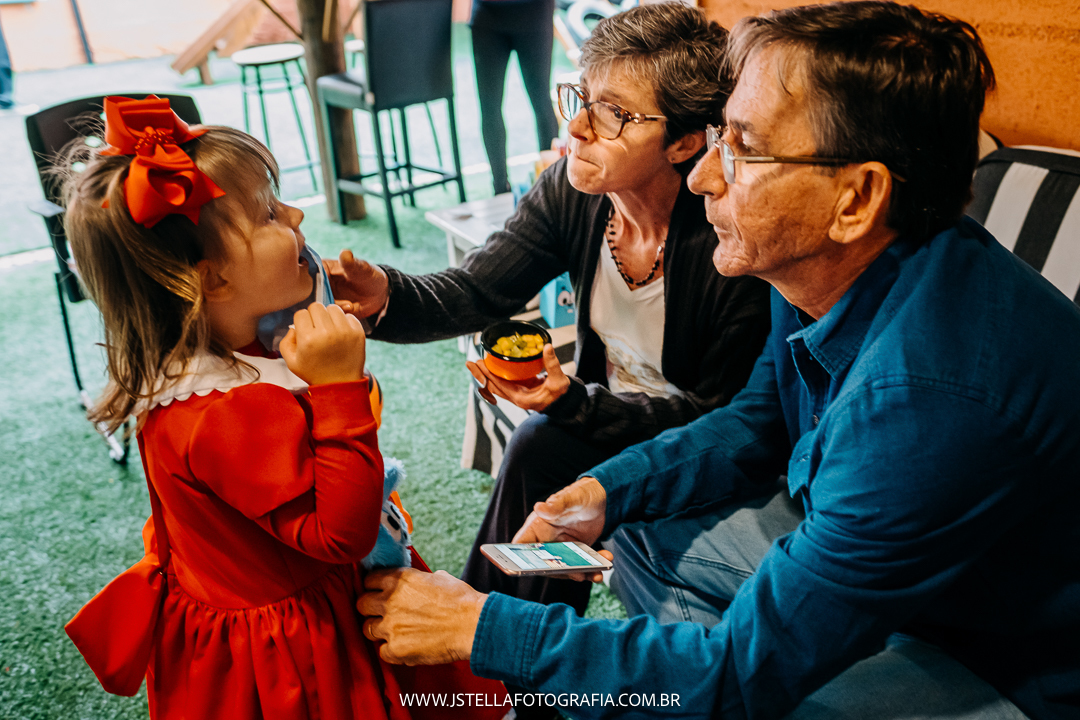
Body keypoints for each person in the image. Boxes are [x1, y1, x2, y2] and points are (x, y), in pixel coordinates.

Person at [356, 2, 1080, 719]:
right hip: (902, 572)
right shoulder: (820, 266)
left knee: (730, 694)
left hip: (1001, 658)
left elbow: (737, 676)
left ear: (855, 199)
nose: (705, 178)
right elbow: (755, 422)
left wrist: (486, 630)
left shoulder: (925, 405)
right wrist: (606, 490)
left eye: (742, 147)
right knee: (627, 513)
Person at [60, 95, 506, 720]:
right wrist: (338, 390)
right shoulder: (222, 413)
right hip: (302, 654)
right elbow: (338, 536)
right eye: (269, 214)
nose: (296, 214)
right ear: (208, 280)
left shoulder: (207, 358)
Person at [329, 2, 772, 627]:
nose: (581, 125)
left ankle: (489, 642)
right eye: (583, 97)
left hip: (696, 446)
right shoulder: (574, 190)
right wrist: (385, 296)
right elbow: (478, 290)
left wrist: (576, 406)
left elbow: (723, 420)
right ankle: (480, 647)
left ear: (685, 141)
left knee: (548, 440)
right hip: (613, 418)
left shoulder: (731, 241)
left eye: (615, 113)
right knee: (544, 447)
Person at [471, 0, 560, 194]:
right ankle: (500, 187)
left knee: (541, 100)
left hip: (534, 14)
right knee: (489, 106)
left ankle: (553, 185)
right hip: (487, 18)